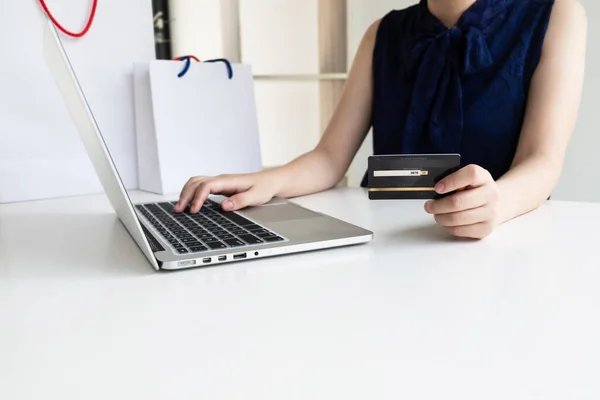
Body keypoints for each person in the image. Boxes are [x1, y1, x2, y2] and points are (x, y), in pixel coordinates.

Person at [175, 0, 587, 239]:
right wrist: (268, 180)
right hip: (383, 242)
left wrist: (499, 202)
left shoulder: (557, 13)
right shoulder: (383, 32)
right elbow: (330, 157)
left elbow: (542, 160)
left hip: (501, 242)